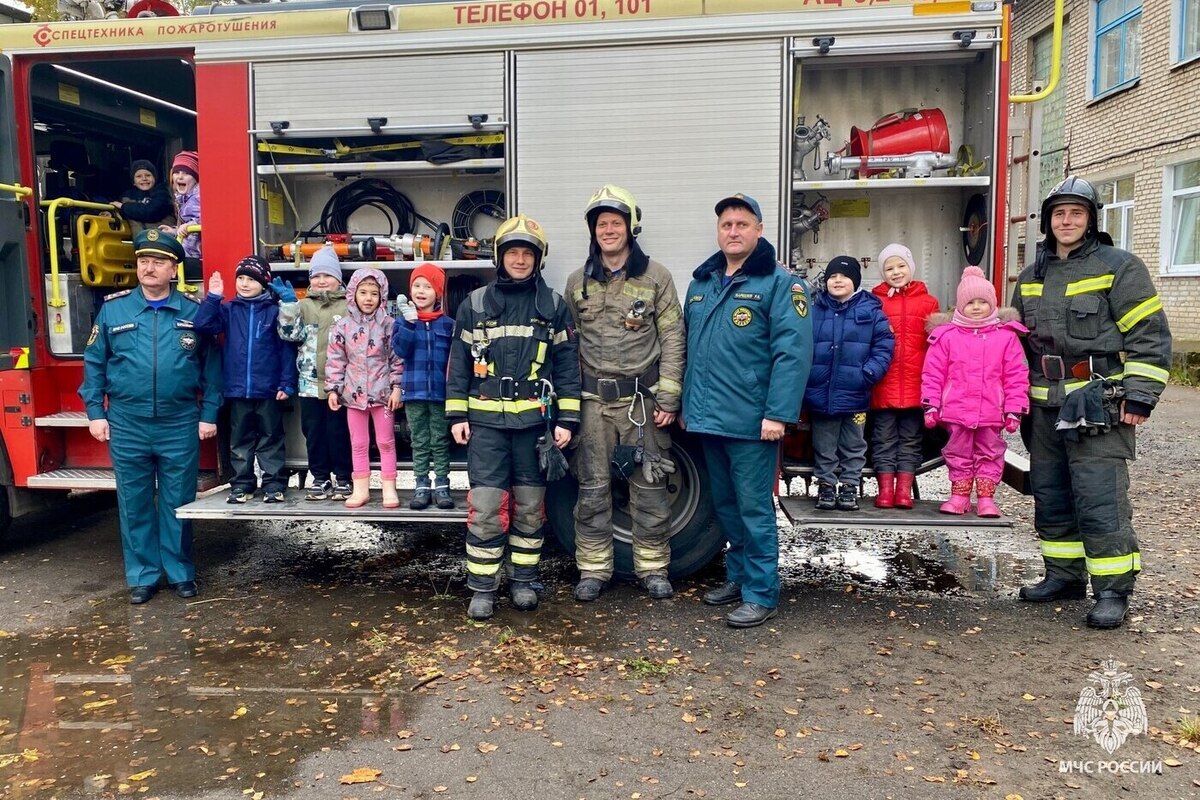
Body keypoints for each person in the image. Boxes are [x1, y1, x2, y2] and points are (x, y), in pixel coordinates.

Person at [1012, 176, 1171, 629]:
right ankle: (1063, 576)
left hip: (1098, 402)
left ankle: (1113, 590)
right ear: (1047, 221)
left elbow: (1150, 335)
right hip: (1043, 405)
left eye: (1076, 213)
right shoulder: (1031, 276)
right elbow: (1015, 345)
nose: (1067, 221)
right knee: (1051, 494)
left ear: (1091, 219)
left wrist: (1140, 395)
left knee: (1100, 498)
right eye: (1059, 213)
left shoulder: (1119, 266)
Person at [684, 194, 812, 629]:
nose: (733, 231)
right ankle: (738, 578)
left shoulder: (781, 284)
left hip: (753, 422)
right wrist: (687, 407)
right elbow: (690, 351)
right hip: (708, 419)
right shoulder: (702, 283)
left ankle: (762, 592)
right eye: (726, 225)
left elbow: (792, 355)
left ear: (759, 230)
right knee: (726, 507)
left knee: (755, 509)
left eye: (742, 224)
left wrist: (778, 414)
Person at [446, 215, 581, 621]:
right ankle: (483, 588)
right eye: (513, 252)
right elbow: (458, 365)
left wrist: (567, 420)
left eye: (528, 253)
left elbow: (568, 366)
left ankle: (523, 581)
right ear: (500, 257)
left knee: (528, 507)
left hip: (533, 428)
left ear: (538, 259)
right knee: (486, 507)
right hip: (486, 426)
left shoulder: (554, 306)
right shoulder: (475, 304)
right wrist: (456, 413)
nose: (520, 260)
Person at [79, 229, 222, 604]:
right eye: (144, 261)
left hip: (178, 422)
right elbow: (94, 364)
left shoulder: (194, 312)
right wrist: (95, 412)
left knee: (178, 501)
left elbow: (212, 367)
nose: (149, 267)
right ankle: (143, 575)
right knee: (134, 501)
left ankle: (179, 573)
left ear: (174, 269)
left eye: (158, 262)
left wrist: (208, 414)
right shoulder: (114, 310)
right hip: (127, 422)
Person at [563, 185, 686, 603]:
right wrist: (567, 408)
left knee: (649, 488)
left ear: (630, 227)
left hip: (642, 403)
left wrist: (668, 398)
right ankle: (594, 569)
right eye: (601, 224)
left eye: (615, 222)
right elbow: (567, 346)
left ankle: (652, 568)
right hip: (592, 404)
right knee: (592, 488)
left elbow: (673, 338)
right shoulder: (577, 282)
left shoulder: (657, 278)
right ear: (593, 231)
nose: (608, 230)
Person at [921, 266, 1029, 517]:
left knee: (990, 452)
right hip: (956, 411)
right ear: (959, 306)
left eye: (983, 302)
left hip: (991, 411)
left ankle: (986, 498)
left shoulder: (1006, 337)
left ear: (993, 305)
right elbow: (933, 373)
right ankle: (959, 495)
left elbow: (1016, 376)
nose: (977, 307)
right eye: (971, 302)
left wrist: (1014, 409)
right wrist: (931, 404)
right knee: (957, 452)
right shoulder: (946, 337)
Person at [194, 255, 297, 504]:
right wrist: (214, 297)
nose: (244, 283)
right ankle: (242, 484)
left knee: (271, 438)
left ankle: (273, 484)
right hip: (237, 390)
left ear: (264, 283)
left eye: (251, 279)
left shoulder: (274, 312)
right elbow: (202, 325)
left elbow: (286, 349)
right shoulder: (228, 310)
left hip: (269, 390)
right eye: (240, 278)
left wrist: (287, 382)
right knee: (240, 440)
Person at [804, 255, 894, 512]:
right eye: (832, 276)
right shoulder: (814, 310)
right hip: (821, 395)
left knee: (854, 444)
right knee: (824, 444)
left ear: (855, 281)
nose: (838, 280)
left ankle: (849, 487)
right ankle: (826, 486)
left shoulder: (871, 311)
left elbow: (884, 347)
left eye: (844, 276)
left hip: (856, 394)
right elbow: (801, 345)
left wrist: (868, 374)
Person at [275, 244, 354, 501]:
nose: (321, 281)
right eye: (316, 276)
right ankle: (320, 478)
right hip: (309, 384)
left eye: (327, 276)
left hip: (340, 386)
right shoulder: (303, 305)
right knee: (314, 433)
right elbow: (289, 335)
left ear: (338, 279)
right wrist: (288, 307)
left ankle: (343, 477)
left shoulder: (348, 306)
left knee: (339, 432)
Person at [869, 243, 940, 509]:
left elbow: (937, 346)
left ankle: (903, 492)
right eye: (889, 268)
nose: (896, 272)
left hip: (916, 385)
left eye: (901, 266)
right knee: (883, 439)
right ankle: (885, 490)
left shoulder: (928, 302)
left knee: (911, 439)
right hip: (883, 385)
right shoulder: (875, 301)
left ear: (910, 268)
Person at [325, 268, 404, 509]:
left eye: (374, 293)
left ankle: (389, 489)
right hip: (353, 397)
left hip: (383, 397)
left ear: (382, 296)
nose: (368, 298)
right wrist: (333, 389)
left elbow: (397, 358)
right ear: (353, 294)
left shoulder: (390, 325)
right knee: (358, 443)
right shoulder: (343, 327)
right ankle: (361, 490)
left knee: (386, 442)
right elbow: (336, 360)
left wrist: (397, 387)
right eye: (363, 292)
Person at [391, 263, 456, 511]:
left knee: (439, 440)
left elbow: (455, 361)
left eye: (427, 286)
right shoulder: (403, 322)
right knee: (419, 440)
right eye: (416, 285)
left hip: (440, 394)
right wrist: (408, 323)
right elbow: (401, 350)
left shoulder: (448, 324)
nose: (421, 291)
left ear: (437, 293)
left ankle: (442, 486)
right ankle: (421, 486)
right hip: (415, 392)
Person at [111, 159, 175, 235]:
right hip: (141, 242)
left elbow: (151, 212)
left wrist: (123, 207)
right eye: (139, 176)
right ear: (133, 182)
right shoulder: (127, 196)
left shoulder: (163, 193)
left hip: (163, 239)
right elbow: (121, 215)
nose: (144, 179)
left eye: (148, 175)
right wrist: (110, 214)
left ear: (155, 178)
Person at [159, 150, 201, 263]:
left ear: (196, 178)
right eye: (177, 173)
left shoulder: (198, 197)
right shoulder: (183, 198)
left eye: (186, 173)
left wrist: (189, 226)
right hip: (189, 253)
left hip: (195, 256)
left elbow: (204, 220)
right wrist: (174, 231)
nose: (180, 177)